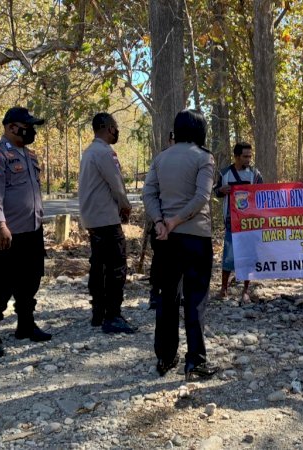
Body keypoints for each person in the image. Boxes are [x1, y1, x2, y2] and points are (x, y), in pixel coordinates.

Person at [143, 109, 219, 380]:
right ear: (200, 130)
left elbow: (148, 193)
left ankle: (165, 357)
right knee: (195, 299)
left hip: (165, 239)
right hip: (195, 237)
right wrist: (176, 220)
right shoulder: (204, 157)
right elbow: (202, 196)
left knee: (167, 296)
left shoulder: (161, 158)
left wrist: (161, 221)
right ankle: (195, 361)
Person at [0, 107, 51, 358]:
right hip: (5, 233)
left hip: (31, 230)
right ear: (10, 127)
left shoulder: (29, 156)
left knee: (30, 279)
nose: (31, 130)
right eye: (27, 126)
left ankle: (26, 325)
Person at [78, 112, 134, 333]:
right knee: (116, 266)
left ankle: (98, 312)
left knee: (98, 265)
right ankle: (113, 315)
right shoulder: (104, 152)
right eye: (115, 127)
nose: (116, 131)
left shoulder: (89, 152)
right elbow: (116, 185)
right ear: (109, 128)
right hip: (106, 217)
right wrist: (125, 206)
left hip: (92, 217)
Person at [213, 142, 263, 303]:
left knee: (248, 256)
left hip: (249, 223)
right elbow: (215, 190)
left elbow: (262, 193)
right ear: (236, 156)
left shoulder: (255, 174)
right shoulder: (225, 173)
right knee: (228, 255)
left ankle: (245, 291)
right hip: (231, 221)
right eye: (245, 156)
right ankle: (223, 289)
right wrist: (221, 190)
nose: (248, 159)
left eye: (250, 156)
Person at [148, 131, 176, 311]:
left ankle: (177, 294)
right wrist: (157, 219)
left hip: (182, 222)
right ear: (169, 140)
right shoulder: (160, 160)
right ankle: (154, 293)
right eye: (174, 139)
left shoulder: (193, 160)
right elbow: (150, 191)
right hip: (162, 220)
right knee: (159, 259)